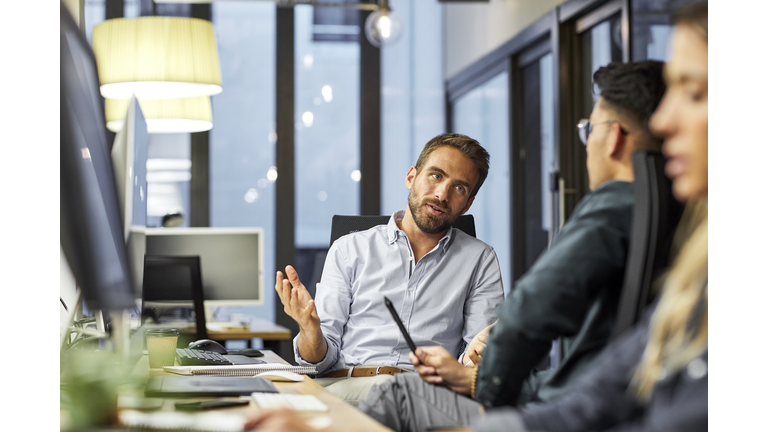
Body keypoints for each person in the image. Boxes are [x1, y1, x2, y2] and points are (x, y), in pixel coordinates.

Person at [357, 2, 708, 431]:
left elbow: (527, 316)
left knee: (397, 393)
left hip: (545, 404)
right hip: (559, 401)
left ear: (613, 137)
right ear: (411, 177)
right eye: (435, 177)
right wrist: (476, 377)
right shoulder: (690, 234)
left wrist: (488, 394)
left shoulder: (616, 203)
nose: (669, 121)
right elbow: (604, 378)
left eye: (695, 92)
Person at [276, 133, 504, 406]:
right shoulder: (349, 249)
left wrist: (477, 357)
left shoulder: (480, 259)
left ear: (467, 204)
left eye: (459, 188)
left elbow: (473, 361)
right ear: (411, 178)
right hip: (346, 387)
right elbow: (317, 360)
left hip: (424, 395)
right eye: (436, 175)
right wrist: (311, 331)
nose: (442, 194)